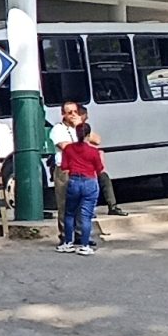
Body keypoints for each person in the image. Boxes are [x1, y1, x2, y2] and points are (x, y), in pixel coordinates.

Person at [55, 103, 106, 253]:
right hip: (89, 181)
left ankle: (68, 243)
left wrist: (80, 127)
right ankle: (84, 245)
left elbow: (65, 165)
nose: (72, 115)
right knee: (85, 214)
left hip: (74, 180)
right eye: (69, 112)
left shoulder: (70, 149)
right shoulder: (92, 151)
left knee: (70, 213)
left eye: (75, 112)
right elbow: (100, 168)